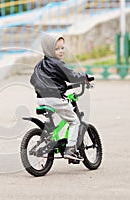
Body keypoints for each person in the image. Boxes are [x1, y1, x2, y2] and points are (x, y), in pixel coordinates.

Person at [30, 33, 90, 161]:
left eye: (62, 48)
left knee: (54, 123)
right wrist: (84, 77)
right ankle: (70, 149)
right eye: (57, 49)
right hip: (55, 98)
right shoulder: (57, 63)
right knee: (75, 121)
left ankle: (49, 140)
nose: (61, 51)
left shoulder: (40, 65)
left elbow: (32, 79)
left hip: (41, 98)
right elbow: (71, 76)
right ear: (49, 50)